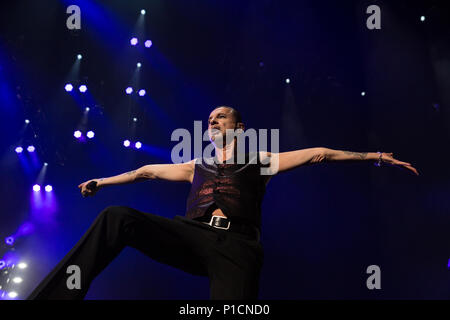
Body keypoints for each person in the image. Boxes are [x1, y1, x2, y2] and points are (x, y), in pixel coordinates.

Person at [27, 106, 419, 300]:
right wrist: (103, 182)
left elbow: (320, 153)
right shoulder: (195, 164)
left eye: (222, 117)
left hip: (237, 247)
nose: (212, 121)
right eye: (210, 118)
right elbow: (145, 171)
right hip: (191, 235)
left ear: (240, 128)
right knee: (118, 218)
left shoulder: (261, 159)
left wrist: (376, 156)